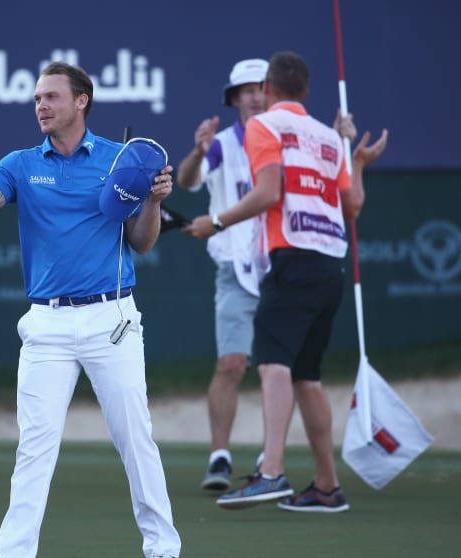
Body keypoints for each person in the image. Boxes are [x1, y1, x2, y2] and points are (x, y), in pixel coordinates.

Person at [0, 62, 181, 558]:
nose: (41, 107)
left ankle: (162, 549)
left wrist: (153, 201)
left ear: (81, 101)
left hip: (111, 320)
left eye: (51, 97)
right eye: (36, 99)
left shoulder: (121, 161)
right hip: (47, 325)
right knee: (34, 451)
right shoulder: (21, 163)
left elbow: (141, 241)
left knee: (137, 441)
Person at [186, 51, 388, 512]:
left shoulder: (264, 127)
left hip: (291, 260)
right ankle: (326, 487)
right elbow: (351, 208)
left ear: (270, 91)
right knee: (306, 378)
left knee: (274, 365)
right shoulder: (326, 135)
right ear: (307, 92)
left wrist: (215, 223)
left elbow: (268, 192)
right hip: (329, 266)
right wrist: (355, 162)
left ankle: (270, 472)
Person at [176, 58, 269, 491]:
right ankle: (219, 456)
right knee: (231, 364)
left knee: (277, 369)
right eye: (246, 90)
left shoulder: (288, 141)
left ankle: (273, 458)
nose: (254, 95)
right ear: (234, 99)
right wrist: (198, 150)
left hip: (283, 267)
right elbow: (188, 180)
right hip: (235, 268)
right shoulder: (223, 144)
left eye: (262, 87)